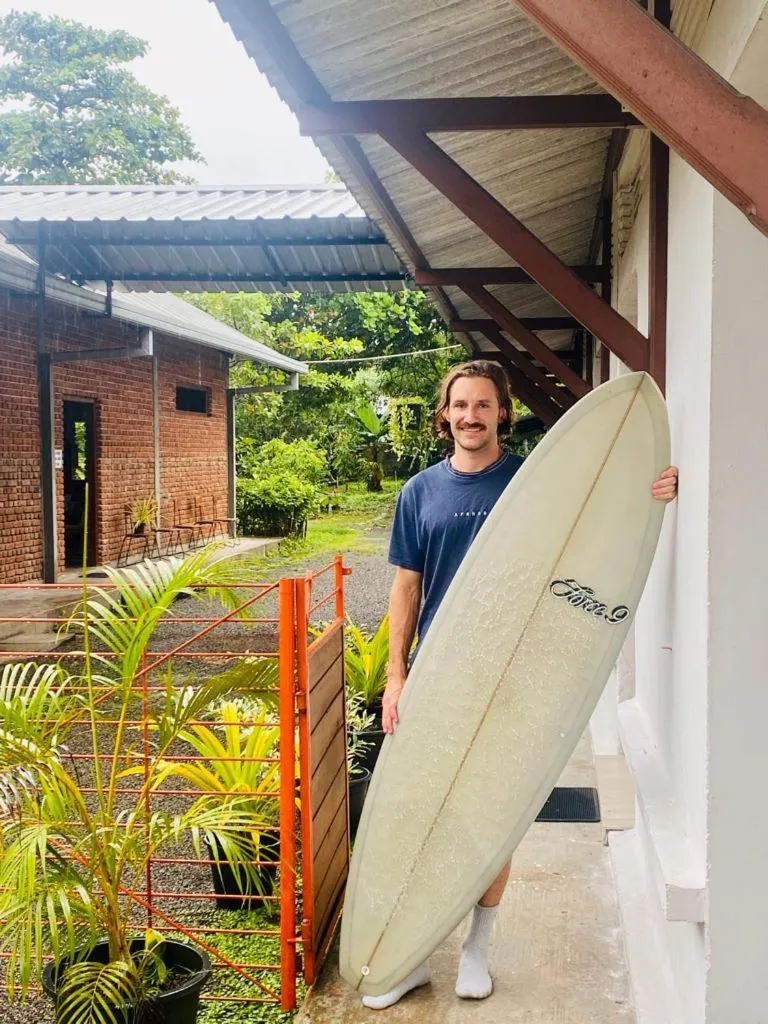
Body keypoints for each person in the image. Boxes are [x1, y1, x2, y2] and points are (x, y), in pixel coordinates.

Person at [361, 360, 678, 1011]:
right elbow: (406, 588)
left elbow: (595, 521)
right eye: (460, 405)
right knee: (421, 813)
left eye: (483, 405)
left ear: (502, 413)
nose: (471, 416)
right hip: (442, 678)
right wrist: (397, 676)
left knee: (491, 817)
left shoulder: (534, 482)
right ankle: (409, 955)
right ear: (445, 414)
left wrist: (651, 489)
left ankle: (476, 949)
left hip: (516, 676)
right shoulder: (420, 492)